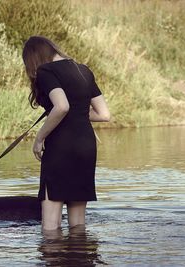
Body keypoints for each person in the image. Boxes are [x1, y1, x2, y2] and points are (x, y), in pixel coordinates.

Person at [22, 35, 110, 231]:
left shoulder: (45, 71)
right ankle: (80, 256)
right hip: (86, 147)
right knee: (78, 225)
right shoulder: (84, 70)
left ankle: (55, 258)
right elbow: (104, 114)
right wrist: (79, 112)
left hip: (60, 148)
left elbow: (61, 106)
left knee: (50, 227)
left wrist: (39, 138)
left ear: (33, 58)